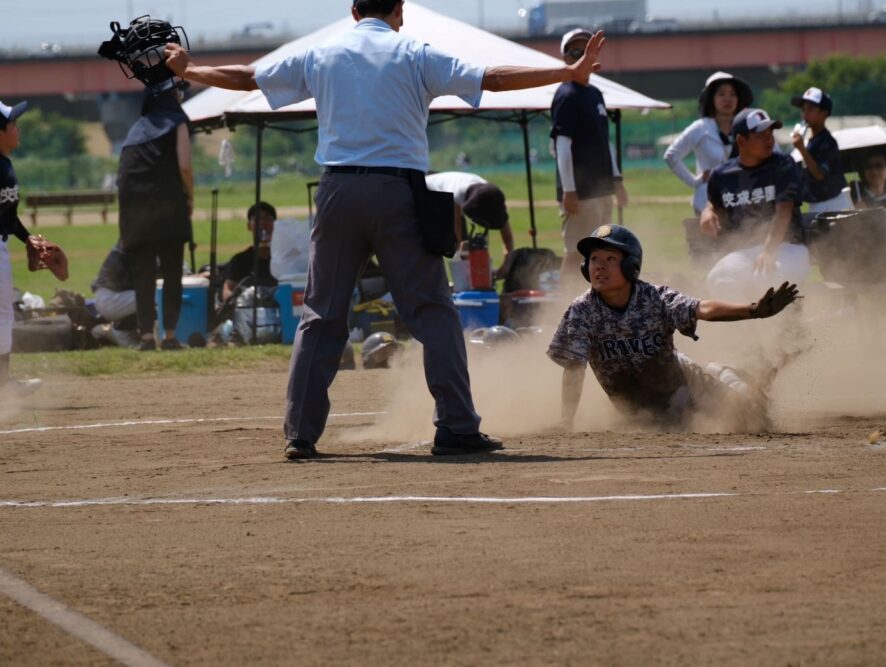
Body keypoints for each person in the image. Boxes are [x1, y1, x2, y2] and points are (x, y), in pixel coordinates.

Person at [165, 0, 608, 459]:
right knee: (432, 312)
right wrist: (567, 73)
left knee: (322, 314)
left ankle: (300, 433)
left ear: (354, 11)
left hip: (337, 192)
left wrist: (190, 68)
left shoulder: (323, 54)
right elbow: (493, 78)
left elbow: (245, 78)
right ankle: (456, 426)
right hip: (399, 192)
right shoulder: (414, 52)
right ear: (399, 10)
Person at [548, 224, 799, 430]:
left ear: (630, 266)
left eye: (610, 258)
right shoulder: (582, 310)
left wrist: (752, 310)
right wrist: (565, 419)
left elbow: (702, 309)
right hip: (643, 412)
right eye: (594, 259)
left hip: (688, 390)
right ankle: (718, 369)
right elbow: (574, 368)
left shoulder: (654, 298)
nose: (599, 266)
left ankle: (726, 374)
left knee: (753, 417)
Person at [700, 108, 811, 302]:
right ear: (741, 140)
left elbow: (783, 212)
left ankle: (790, 329)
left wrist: (768, 251)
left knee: (766, 278)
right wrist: (707, 212)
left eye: (770, 133)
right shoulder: (723, 175)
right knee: (718, 279)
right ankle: (747, 329)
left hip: (787, 247)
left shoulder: (783, 165)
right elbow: (713, 202)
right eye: (761, 135)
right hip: (746, 252)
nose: (769, 140)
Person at [116, 86, 194, 352]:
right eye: (178, 93)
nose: (180, 97)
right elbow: (184, 165)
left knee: (143, 274)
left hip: (134, 208)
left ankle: (147, 337)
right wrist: (190, 197)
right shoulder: (178, 122)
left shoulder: (135, 130)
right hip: (168, 204)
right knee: (173, 271)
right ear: (171, 98)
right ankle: (170, 336)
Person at [1, 99, 69, 395]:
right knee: (3, 315)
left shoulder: (4, 164)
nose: (18, 128)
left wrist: (26, 237)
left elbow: (6, 215)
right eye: (12, 123)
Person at [551, 28, 628, 290]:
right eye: (575, 50)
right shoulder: (567, 93)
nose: (581, 55)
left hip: (601, 186)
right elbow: (562, 145)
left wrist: (616, 180)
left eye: (586, 49)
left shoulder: (595, 94)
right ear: (565, 58)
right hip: (580, 191)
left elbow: (605, 142)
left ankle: (592, 303)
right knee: (575, 251)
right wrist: (569, 190)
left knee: (601, 250)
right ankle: (563, 308)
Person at [664, 71, 753, 215]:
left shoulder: (747, 125)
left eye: (732, 94)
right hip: (706, 204)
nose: (728, 99)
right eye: (721, 94)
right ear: (711, 98)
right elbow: (671, 155)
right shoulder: (700, 128)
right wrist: (694, 181)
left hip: (742, 201)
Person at [425, 171, 515, 278]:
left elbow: (508, 238)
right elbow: (456, 234)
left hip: (451, 190)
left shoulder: (492, 196)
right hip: (426, 189)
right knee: (441, 246)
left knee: (466, 249)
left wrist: (507, 264)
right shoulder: (456, 195)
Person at [790, 87, 851, 214]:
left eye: (811, 110)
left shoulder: (828, 142)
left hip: (834, 203)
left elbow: (819, 174)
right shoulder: (812, 142)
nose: (805, 114)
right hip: (817, 203)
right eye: (803, 110)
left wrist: (802, 149)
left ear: (824, 113)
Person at [222, 201, 278, 303]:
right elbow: (228, 290)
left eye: (267, 219)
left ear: (275, 225)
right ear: (249, 226)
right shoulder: (239, 260)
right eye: (257, 219)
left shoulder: (284, 259)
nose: (263, 223)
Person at [90, 243, 141, 349]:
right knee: (156, 296)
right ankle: (119, 331)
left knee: (154, 294)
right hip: (112, 299)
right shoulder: (134, 246)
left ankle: (112, 330)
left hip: (110, 298)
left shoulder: (129, 242)